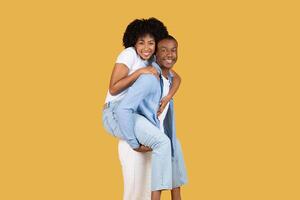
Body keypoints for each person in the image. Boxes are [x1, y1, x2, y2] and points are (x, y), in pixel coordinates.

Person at [102, 18, 181, 200]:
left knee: (150, 169)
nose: (146, 47)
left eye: (151, 43)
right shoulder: (129, 54)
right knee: (162, 144)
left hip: (136, 114)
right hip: (115, 110)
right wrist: (139, 72)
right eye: (141, 42)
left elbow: (177, 78)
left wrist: (167, 98)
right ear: (133, 43)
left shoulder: (153, 59)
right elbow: (113, 88)